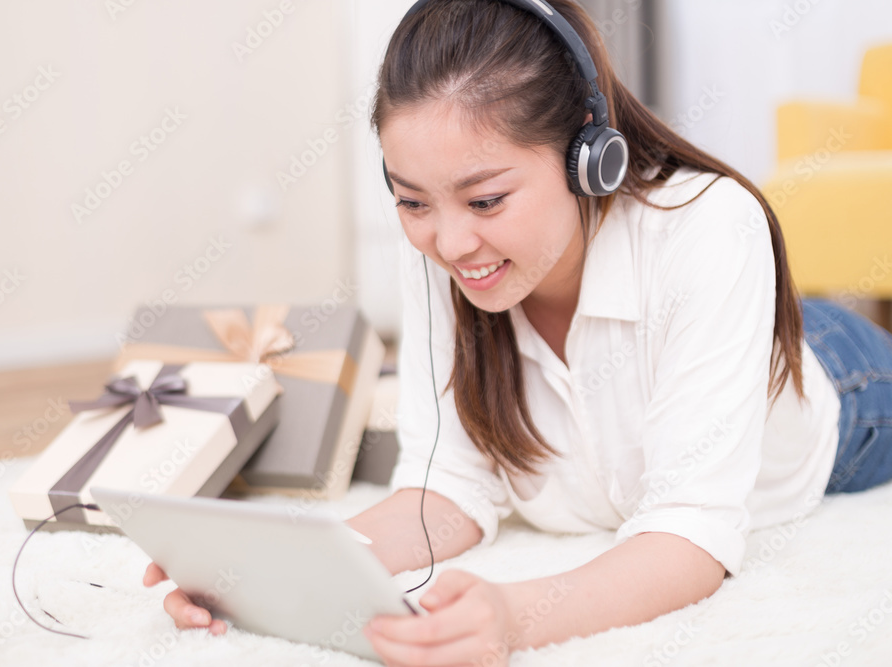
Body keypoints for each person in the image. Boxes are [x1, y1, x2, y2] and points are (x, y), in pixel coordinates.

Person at [143, 0, 892, 664]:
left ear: (587, 159)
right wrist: (261, 577)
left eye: (487, 199)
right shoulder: (442, 246)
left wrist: (513, 616)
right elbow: (448, 493)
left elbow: (690, 537)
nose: (449, 242)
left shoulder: (709, 228)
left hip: (845, 383)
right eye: (411, 201)